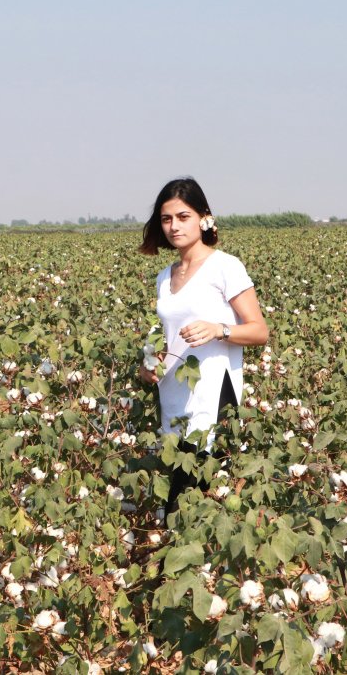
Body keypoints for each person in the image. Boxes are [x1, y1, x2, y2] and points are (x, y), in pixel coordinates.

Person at [138, 177, 269, 514]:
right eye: (166, 219)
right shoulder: (165, 277)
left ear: (203, 218)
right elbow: (169, 336)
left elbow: (258, 331)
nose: (174, 226)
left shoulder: (225, 266)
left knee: (188, 501)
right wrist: (149, 366)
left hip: (211, 395)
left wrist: (219, 329)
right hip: (172, 392)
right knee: (179, 492)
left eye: (183, 217)